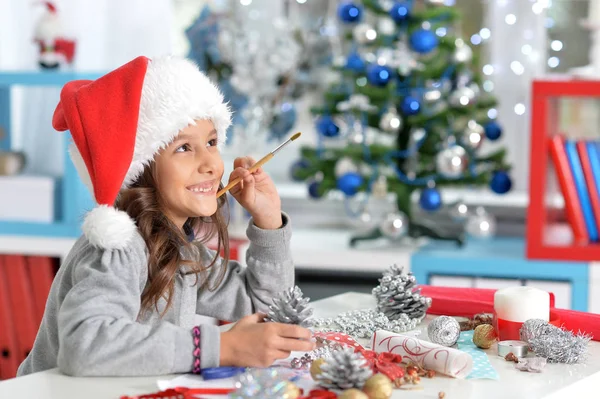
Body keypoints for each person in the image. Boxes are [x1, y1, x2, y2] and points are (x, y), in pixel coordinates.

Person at [17, 55, 315, 377]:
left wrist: (268, 221)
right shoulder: (119, 248)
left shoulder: (179, 249)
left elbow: (264, 306)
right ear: (141, 169)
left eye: (212, 142)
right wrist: (220, 347)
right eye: (184, 148)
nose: (212, 164)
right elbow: (86, 345)